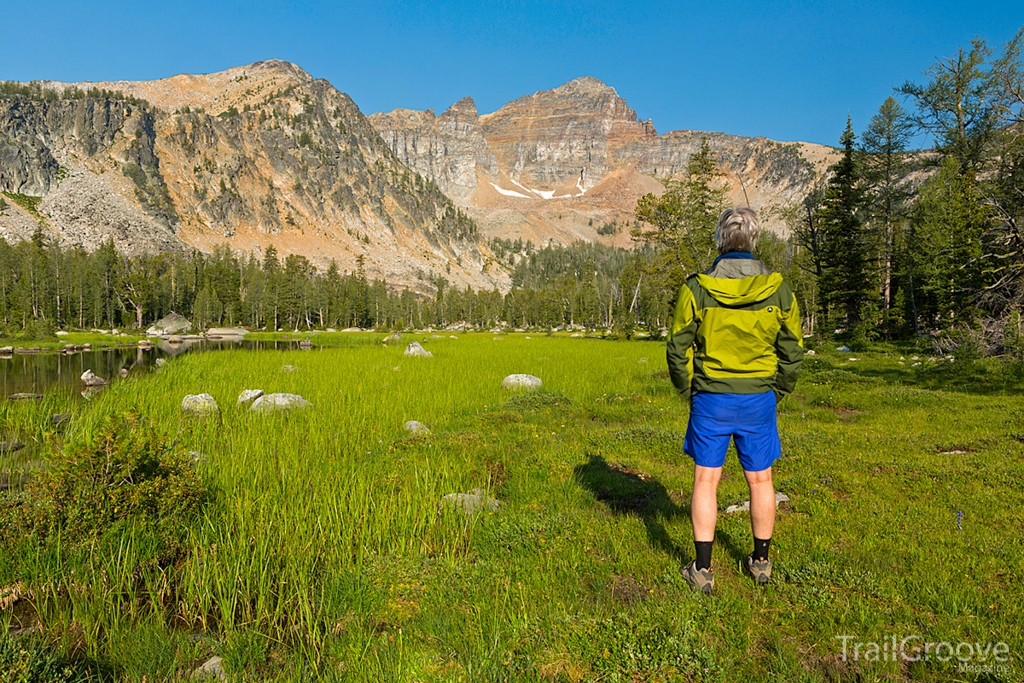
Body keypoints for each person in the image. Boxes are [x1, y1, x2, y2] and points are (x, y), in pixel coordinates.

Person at [666, 207, 804, 594]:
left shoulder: (697, 288)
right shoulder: (778, 289)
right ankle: (761, 563)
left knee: (705, 480)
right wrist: (779, 390)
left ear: (720, 240)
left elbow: (678, 347)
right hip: (759, 398)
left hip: (711, 398)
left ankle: (703, 569)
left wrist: (686, 388)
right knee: (761, 480)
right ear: (754, 241)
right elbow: (792, 350)